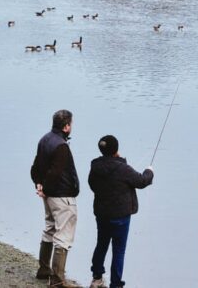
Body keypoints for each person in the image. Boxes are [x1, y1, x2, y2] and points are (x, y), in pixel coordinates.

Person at [88, 135, 154, 288]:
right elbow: (142, 181)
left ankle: (96, 278)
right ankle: (116, 284)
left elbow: (92, 185)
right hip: (121, 217)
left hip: (102, 214)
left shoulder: (95, 167)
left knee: (101, 244)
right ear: (116, 149)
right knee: (119, 250)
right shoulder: (122, 168)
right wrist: (149, 171)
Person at [31, 109, 80, 287]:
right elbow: (56, 173)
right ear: (66, 126)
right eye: (71, 124)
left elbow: (35, 166)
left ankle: (44, 270)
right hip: (61, 195)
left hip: (49, 194)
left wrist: (38, 184)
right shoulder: (61, 146)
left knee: (50, 229)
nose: (72, 127)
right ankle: (57, 280)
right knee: (63, 235)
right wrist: (46, 188)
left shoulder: (44, 139)